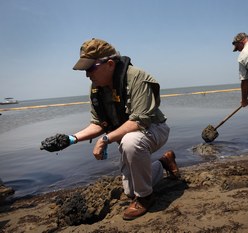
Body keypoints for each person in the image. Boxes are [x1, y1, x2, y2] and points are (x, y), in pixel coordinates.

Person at [40, 38, 180, 220]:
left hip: (154, 129)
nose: (87, 75)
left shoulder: (137, 77)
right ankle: (164, 163)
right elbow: (99, 123)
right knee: (130, 190)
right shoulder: (97, 88)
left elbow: (139, 121)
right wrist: (71, 139)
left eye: (90, 69)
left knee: (131, 142)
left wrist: (105, 139)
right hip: (129, 134)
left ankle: (145, 198)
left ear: (110, 64)